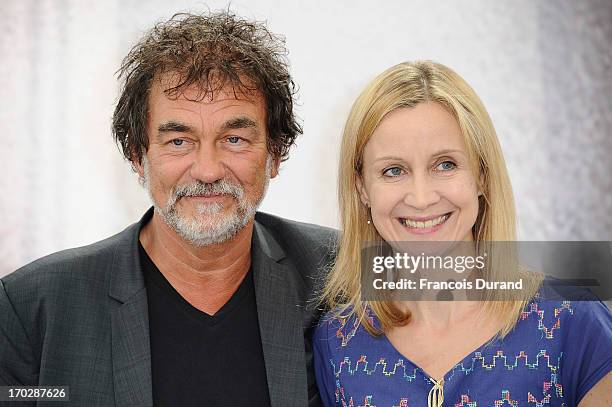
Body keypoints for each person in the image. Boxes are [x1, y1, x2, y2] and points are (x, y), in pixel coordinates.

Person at [0, 12, 334, 407]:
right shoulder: (31, 306)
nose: (207, 170)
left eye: (234, 139)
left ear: (274, 154)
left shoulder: (339, 273)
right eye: (178, 141)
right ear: (138, 156)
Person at [314, 61, 612, 406]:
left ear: (482, 176)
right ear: (362, 188)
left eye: (446, 165)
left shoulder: (572, 319)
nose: (422, 198)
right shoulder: (338, 343)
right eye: (393, 170)